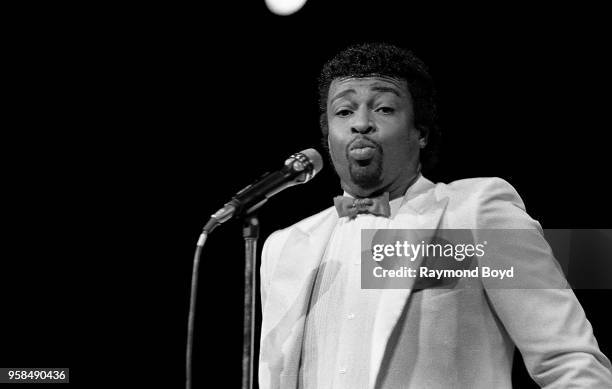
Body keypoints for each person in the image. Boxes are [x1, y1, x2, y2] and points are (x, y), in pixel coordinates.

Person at [258, 42, 612, 388]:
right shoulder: (285, 246)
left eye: (383, 109)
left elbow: (569, 360)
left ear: (421, 132)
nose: (361, 123)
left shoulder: (473, 213)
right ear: (327, 133)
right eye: (344, 111)